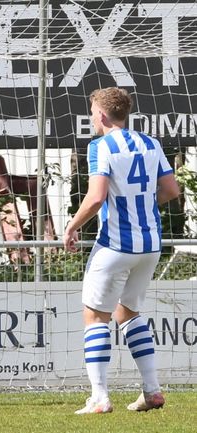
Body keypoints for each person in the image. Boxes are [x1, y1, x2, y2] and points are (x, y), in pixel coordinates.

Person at [63, 87, 180, 414]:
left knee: (95, 315)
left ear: (100, 114)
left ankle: (99, 397)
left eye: (91, 112)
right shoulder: (151, 143)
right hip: (150, 245)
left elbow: (97, 197)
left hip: (117, 244)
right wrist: (140, 204)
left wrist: (72, 226)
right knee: (127, 312)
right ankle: (152, 390)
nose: (91, 118)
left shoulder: (100, 146)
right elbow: (171, 190)